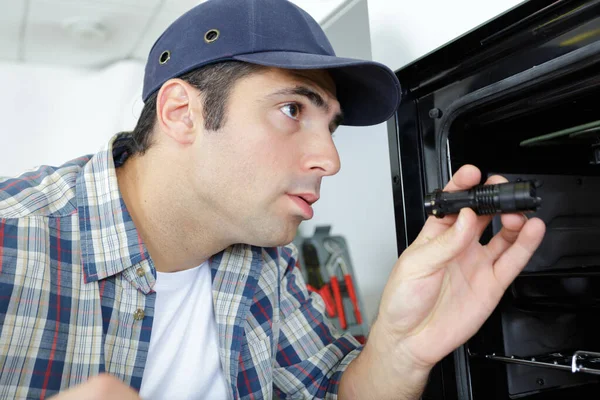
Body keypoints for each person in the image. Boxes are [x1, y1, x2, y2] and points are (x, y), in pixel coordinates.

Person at [0, 0, 546, 399]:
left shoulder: (264, 263)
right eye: (291, 110)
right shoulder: (12, 244)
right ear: (181, 114)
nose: (330, 161)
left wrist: (400, 348)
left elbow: (335, 393)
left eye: (329, 126)